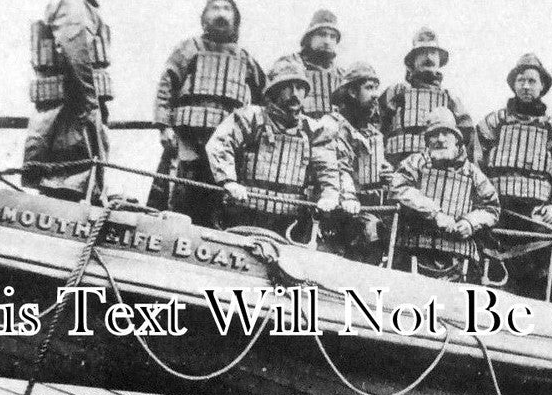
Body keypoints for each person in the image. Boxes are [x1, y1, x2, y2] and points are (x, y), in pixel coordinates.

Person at [152, 0, 265, 226]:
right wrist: (163, 126)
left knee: (218, 199)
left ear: (235, 18)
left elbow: (263, 99)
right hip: (188, 138)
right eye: (215, 8)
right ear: (204, 17)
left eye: (226, 9)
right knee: (179, 193)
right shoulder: (189, 48)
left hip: (225, 144)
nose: (221, 14)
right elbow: (167, 84)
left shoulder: (246, 59)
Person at [205, 58, 349, 235]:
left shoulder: (314, 130)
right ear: (274, 90)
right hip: (244, 213)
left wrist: (330, 195)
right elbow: (220, 143)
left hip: (290, 223)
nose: (295, 94)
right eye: (288, 87)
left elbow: (327, 168)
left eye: (300, 87)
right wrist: (229, 181)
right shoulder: (250, 117)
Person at [477, 53, 552, 297]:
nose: (526, 86)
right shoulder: (493, 122)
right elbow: (477, 164)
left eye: (532, 81)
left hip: (536, 211)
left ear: (542, 86)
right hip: (496, 208)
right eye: (521, 80)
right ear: (513, 84)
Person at [23, 0, 111, 201]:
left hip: (76, 110)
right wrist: (90, 103)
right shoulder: (71, 1)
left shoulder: (80, 3)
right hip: (73, 113)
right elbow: (75, 52)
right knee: (67, 187)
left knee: (75, 185)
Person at [390, 107, 500, 281]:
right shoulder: (415, 163)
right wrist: (434, 213)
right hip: (415, 250)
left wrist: (470, 222)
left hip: (459, 258)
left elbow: (492, 207)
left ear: (457, 139)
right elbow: (398, 188)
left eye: (446, 133)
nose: (440, 139)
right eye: (434, 134)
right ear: (427, 140)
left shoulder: (473, 173)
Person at [379, 27, 475, 168]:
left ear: (439, 60)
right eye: (422, 53)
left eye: (433, 53)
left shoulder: (451, 100)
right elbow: (374, 131)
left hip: (436, 175)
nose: (428, 57)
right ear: (412, 61)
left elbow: (467, 141)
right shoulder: (395, 94)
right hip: (396, 173)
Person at [326, 61, 392, 264]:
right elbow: (338, 167)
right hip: (335, 214)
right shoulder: (332, 125)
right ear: (352, 92)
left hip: (369, 213)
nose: (375, 95)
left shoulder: (374, 135)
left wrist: (386, 174)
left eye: (376, 88)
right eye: (369, 88)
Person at [275, 9, 344, 120]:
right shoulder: (288, 64)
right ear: (309, 37)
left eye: (332, 36)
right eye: (322, 34)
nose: (327, 41)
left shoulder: (342, 76)